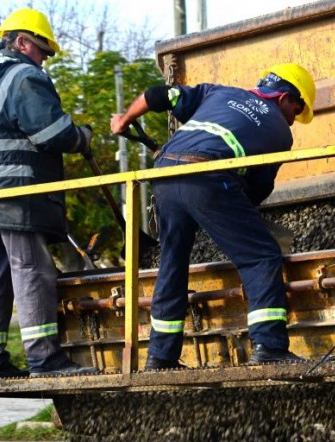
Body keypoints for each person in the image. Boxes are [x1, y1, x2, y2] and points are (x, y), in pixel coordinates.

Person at [110, 64, 316, 369]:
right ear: (285, 97)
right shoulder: (279, 132)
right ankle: (270, 346)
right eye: (297, 111)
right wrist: (223, 215)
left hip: (164, 174)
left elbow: (158, 95)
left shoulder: (218, 93)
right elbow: (257, 187)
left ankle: (161, 356)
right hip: (207, 177)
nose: (293, 120)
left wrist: (124, 120)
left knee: (172, 263)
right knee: (261, 256)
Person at [0, 8, 97, 379]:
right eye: (42, 50)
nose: (44, 61)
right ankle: (45, 359)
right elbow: (53, 133)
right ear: (22, 42)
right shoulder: (24, 76)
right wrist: (82, 135)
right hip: (14, 192)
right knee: (32, 270)